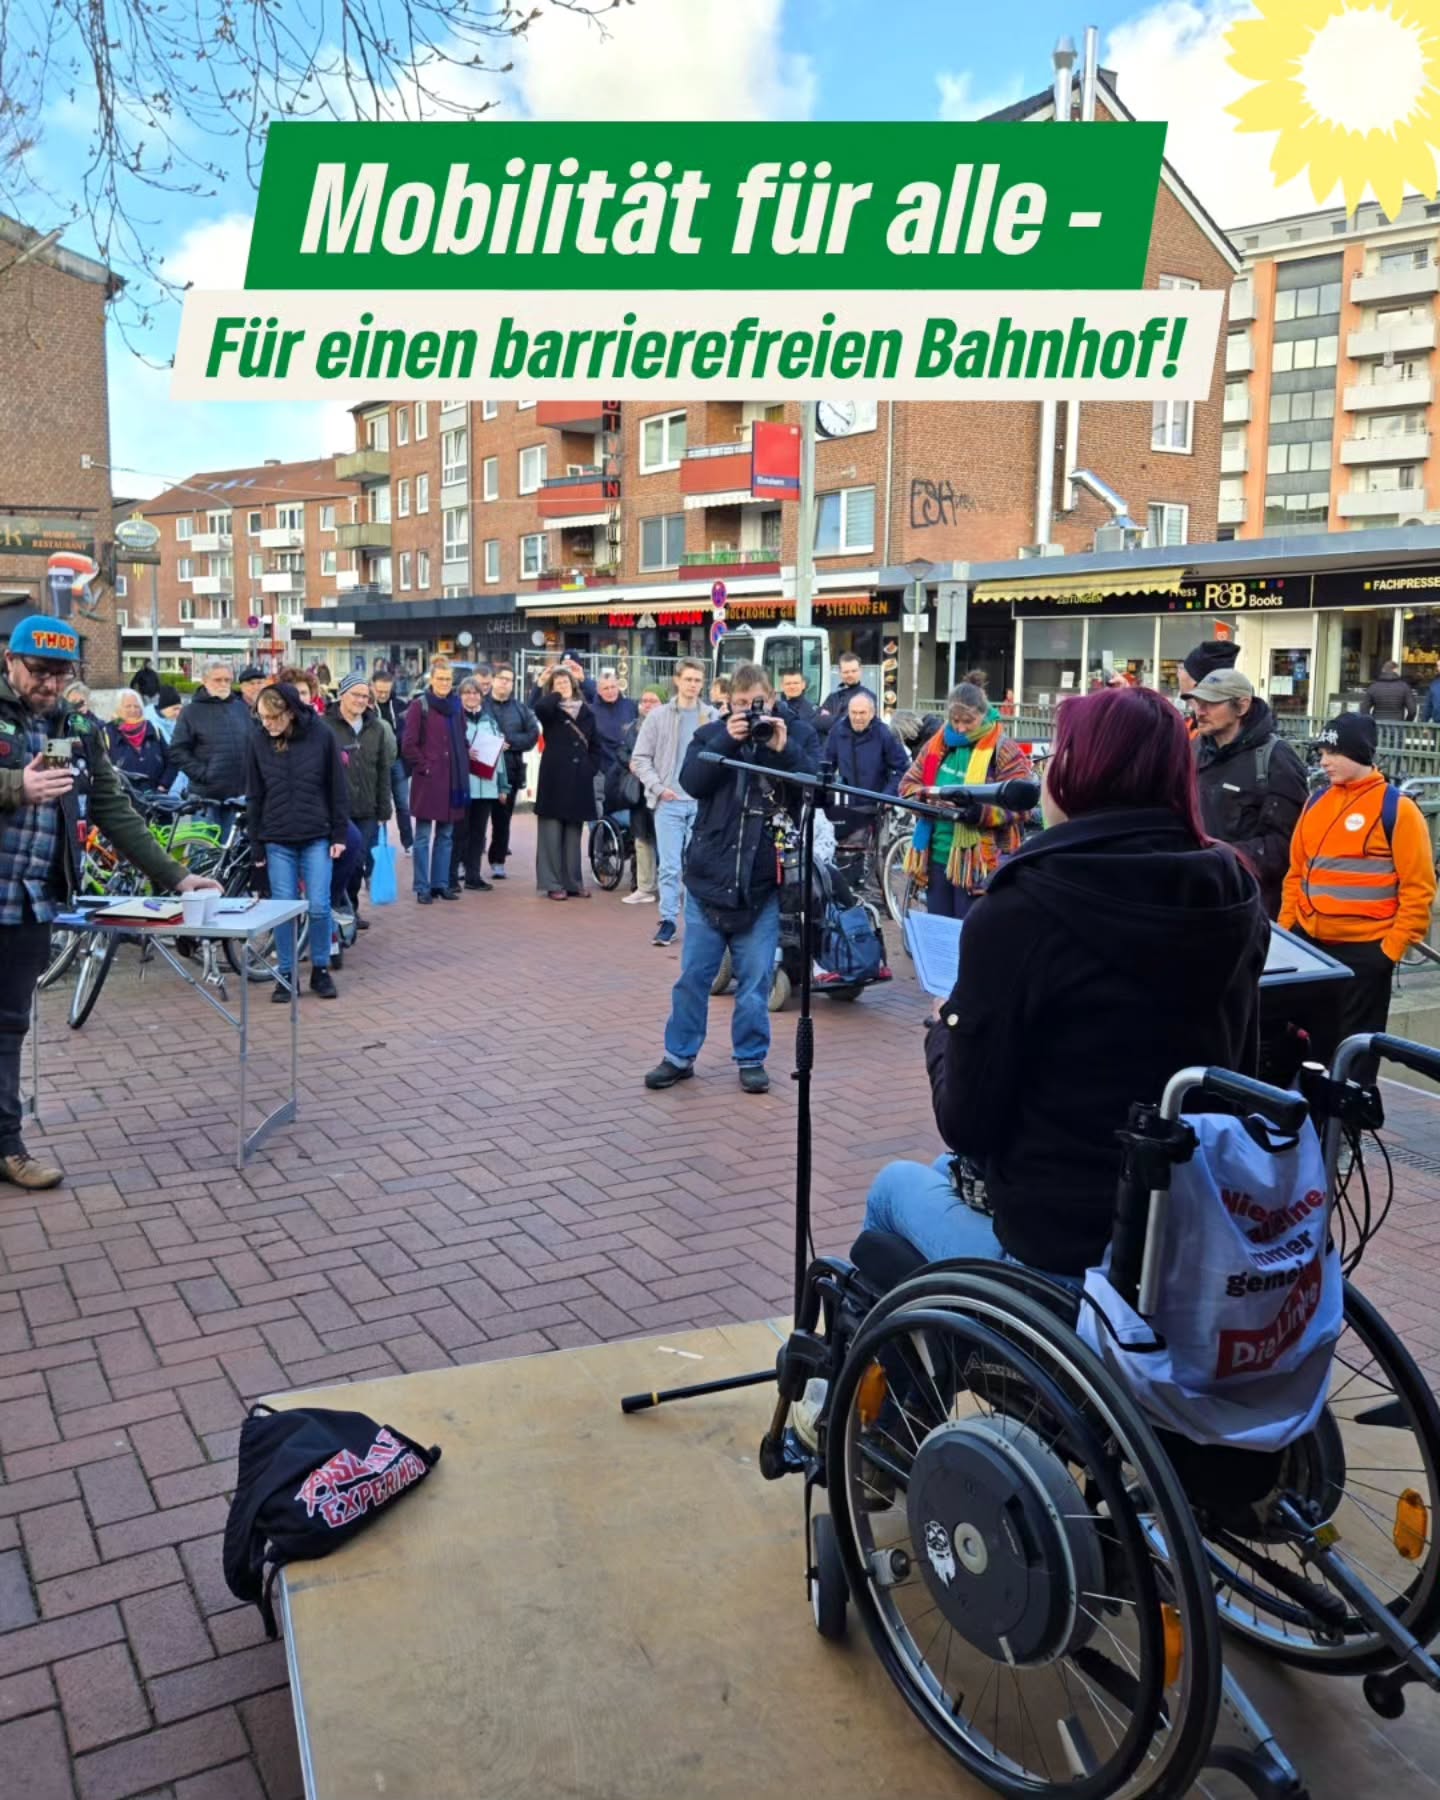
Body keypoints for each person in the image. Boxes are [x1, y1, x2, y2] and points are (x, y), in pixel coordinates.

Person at [862, 684, 1269, 1282]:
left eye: (1059, 756)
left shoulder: (1025, 907)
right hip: (1184, 1224)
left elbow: (966, 1120)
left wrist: (946, 1025)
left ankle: (900, 1369)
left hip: (1057, 1244)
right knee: (948, 1169)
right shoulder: (1232, 888)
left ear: (1083, 776)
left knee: (894, 1188)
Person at [0, 618, 220, 1186]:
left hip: (29, 900)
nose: (48, 685)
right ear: (10, 661)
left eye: (60, 674)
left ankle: (6, 1146)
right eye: (38, 672)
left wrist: (174, 877)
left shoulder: (78, 726)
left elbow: (113, 809)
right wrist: (13, 788)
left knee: (8, 1026)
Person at [644, 663, 819, 1096]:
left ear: (773, 700)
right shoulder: (710, 737)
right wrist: (730, 736)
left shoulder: (793, 739)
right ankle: (679, 1055)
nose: (750, 712)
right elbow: (692, 781)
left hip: (760, 887)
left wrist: (784, 750)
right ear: (727, 703)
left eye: (757, 704)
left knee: (756, 983)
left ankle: (751, 1058)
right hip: (708, 880)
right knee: (693, 979)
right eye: (740, 705)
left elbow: (818, 793)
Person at [1279, 712, 1437, 1058]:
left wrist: (1388, 951)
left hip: (1365, 952)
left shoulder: (1398, 809)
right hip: (1311, 947)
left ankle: (1347, 1113)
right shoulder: (1316, 800)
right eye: (1321, 753)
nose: (1324, 761)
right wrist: (1288, 930)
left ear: (1359, 754)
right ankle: (1313, 1112)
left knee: (1355, 1059)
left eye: (1333, 753)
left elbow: (1419, 888)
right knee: (1309, 1053)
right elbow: (1297, 872)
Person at [898, 683, 1033, 919]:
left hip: (982, 864)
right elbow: (907, 786)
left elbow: (1023, 804)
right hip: (936, 859)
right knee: (941, 937)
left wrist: (977, 813)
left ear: (983, 714)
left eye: (968, 721)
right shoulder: (936, 745)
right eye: (954, 720)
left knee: (971, 940)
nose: (960, 728)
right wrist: (928, 799)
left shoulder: (1004, 750)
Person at [248, 684, 348, 1001]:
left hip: (316, 833)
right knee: (283, 909)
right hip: (276, 837)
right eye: (261, 717)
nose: (266, 724)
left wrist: (339, 833)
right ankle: (287, 974)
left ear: (289, 712)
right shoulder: (257, 741)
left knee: (319, 906)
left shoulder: (321, 735)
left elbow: (337, 786)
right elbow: (255, 795)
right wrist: (256, 846)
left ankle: (320, 969)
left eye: (272, 718)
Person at [1190, 667, 1307, 919]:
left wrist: (1221, 858)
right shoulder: (1193, 749)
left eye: (1211, 703)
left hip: (1249, 905)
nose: (1200, 710)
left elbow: (1287, 844)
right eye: (1198, 702)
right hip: (1196, 894)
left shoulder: (1276, 758)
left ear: (1242, 706)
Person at [629, 658, 717, 947]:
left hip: (702, 802)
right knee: (669, 866)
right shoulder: (659, 717)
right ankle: (668, 920)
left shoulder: (712, 717)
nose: (693, 685)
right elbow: (640, 758)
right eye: (688, 679)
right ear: (677, 681)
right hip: (670, 801)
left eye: (697, 680)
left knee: (698, 865)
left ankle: (696, 920)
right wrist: (658, 787)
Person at [322, 673, 394, 929]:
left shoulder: (376, 728)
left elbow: (383, 769)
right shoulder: (325, 726)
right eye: (356, 694)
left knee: (358, 862)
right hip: (335, 810)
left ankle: (350, 907)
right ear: (343, 694)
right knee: (335, 862)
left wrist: (384, 807)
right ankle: (332, 905)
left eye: (365, 696)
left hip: (366, 808)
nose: (361, 700)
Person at [401, 658, 468, 904]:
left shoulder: (456, 705)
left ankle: (440, 884)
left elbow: (462, 737)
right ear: (432, 680)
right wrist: (426, 767)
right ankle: (422, 886)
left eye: (448, 679)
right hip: (429, 781)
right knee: (422, 836)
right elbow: (408, 744)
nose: (444, 683)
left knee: (446, 834)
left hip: (452, 780)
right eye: (440, 678)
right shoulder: (420, 705)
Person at [532, 665, 600, 900]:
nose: (563, 686)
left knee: (573, 833)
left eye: (566, 683)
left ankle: (573, 882)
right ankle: (552, 883)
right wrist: (553, 692)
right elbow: (539, 707)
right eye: (557, 683)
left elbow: (595, 745)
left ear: (574, 684)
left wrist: (590, 768)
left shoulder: (587, 712)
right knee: (551, 832)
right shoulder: (550, 709)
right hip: (554, 777)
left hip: (579, 778)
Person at [168, 659, 253, 818]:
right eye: (217, 679)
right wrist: (204, 774)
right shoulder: (191, 712)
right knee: (202, 842)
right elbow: (177, 750)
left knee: (230, 843)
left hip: (237, 796)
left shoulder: (241, 708)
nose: (223, 684)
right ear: (205, 681)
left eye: (227, 680)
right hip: (205, 796)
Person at [825, 690, 908, 844]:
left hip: (875, 805)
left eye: (862, 713)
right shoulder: (838, 731)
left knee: (872, 855)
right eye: (853, 713)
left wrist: (888, 795)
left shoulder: (884, 734)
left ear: (872, 713)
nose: (857, 718)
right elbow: (826, 764)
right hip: (846, 806)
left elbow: (902, 769)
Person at [480, 664, 538, 880]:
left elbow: (532, 736)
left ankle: (498, 860)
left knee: (502, 820)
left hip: (511, 770)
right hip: (482, 770)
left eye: (509, 679)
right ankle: (466, 862)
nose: (505, 682)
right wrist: (493, 744)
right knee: (476, 819)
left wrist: (509, 742)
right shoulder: (481, 705)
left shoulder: (521, 709)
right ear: (493, 680)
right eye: (501, 678)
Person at [455, 676, 507, 891]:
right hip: (463, 785)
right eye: (467, 692)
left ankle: (473, 876)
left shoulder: (490, 721)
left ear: (481, 696)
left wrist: (503, 786)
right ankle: (452, 875)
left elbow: (499, 758)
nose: (472, 696)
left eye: (475, 692)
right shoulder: (455, 720)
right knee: (460, 831)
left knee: (478, 832)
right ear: (460, 696)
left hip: (487, 786)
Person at [618, 687, 663, 906]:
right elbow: (622, 751)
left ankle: (668, 887)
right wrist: (629, 763)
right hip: (639, 793)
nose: (647, 704)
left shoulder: (668, 726)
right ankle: (645, 886)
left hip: (662, 790)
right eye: (644, 700)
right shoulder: (631, 728)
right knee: (642, 840)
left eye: (653, 701)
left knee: (666, 841)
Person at [370, 669, 413, 854]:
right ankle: (380, 842)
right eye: (379, 691)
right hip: (376, 764)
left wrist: (398, 742)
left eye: (386, 691)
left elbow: (407, 730)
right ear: (372, 686)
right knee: (380, 805)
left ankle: (408, 843)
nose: (382, 695)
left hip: (397, 761)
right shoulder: (367, 707)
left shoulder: (400, 706)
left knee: (403, 804)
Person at [590, 668, 638, 825]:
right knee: (600, 814)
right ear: (598, 690)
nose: (610, 691)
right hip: (602, 770)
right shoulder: (591, 711)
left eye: (613, 687)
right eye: (605, 688)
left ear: (618, 686)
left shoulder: (630, 705)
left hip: (627, 770)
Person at [104, 689, 169, 789]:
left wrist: (163, 785)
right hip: (122, 799)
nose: (133, 710)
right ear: (118, 709)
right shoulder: (108, 733)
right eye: (128, 706)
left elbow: (172, 761)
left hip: (155, 798)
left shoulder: (153, 730)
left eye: (136, 706)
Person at [1177, 637, 1240, 735]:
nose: (1178, 674)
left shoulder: (1215, 730)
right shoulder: (1196, 722)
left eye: (1181, 668)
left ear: (1194, 682)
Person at [816, 653, 875, 738]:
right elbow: (817, 722)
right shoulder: (833, 696)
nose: (850, 674)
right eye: (846, 672)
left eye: (853, 671)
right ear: (840, 673)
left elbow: (850, 725)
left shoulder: (868, 697)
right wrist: (839, 718)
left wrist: (829, 719)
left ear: (860, 671)